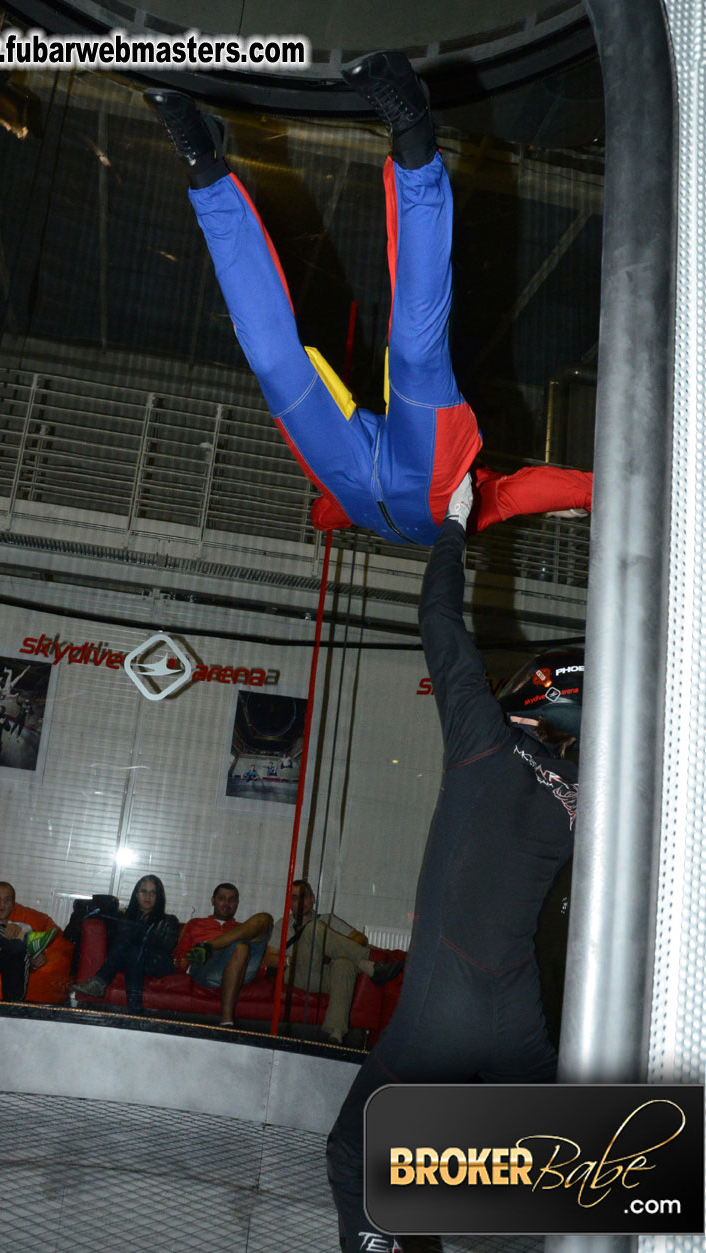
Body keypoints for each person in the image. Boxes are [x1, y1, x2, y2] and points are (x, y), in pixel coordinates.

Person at [146, 52, 593, 548]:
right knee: (415, 353)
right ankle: (412, 132)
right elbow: (527, 492)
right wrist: (596, 495)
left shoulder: (352, 515)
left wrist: (325, 514)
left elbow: (322, 515)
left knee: (273, 364)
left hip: (347, 481)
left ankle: (203, 167)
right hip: (434, 483)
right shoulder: (478, 505)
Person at [325, 469, 582, 1252]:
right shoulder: (586, 794)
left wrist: (454, 525)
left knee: (355, 1156)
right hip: (517, 1024)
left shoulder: (483, 739)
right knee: (565, 1177)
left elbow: (439, 616)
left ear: (532, 700)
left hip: (445, 1012)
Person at [265, 879, 403, 1044]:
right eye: (295, 898)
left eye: (305, 896)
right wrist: (291, 959)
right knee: (313, 928)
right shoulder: (283, 924)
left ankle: (335, 1035)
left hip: (326, 977)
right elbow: (268, 958)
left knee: (343, 965)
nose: (300, 902)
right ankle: (368, 965)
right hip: (298, 974)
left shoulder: (329, 919)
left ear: (313, 898)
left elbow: (360, 938)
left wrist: (334, 950)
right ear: (289, 903)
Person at [71, 874, 180, 1013]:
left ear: (159, 897)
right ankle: (134, 1010)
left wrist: (143, 932)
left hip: (156, 962)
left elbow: (166, 946)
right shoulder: (125, 918)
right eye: (143, 891)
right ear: (136, 895)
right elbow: (115, 943)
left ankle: (100, 981)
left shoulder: (169, 920)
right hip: (131, 959)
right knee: (133, 953)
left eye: (153, 893)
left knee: (135, 937)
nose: (148, 896)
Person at [175, 883, 273, 1027]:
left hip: (240, 968)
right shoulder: (196, 923)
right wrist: (181, 963)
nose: (227, 903)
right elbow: (181, 958)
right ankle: (227, 1020)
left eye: (232, 900)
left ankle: (208, 946)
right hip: (206, 969)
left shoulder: (244, 928)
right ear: (213, 900)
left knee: (264, 919)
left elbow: (261, 965)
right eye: (222, 898)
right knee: (240, 946)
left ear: (237, 904)